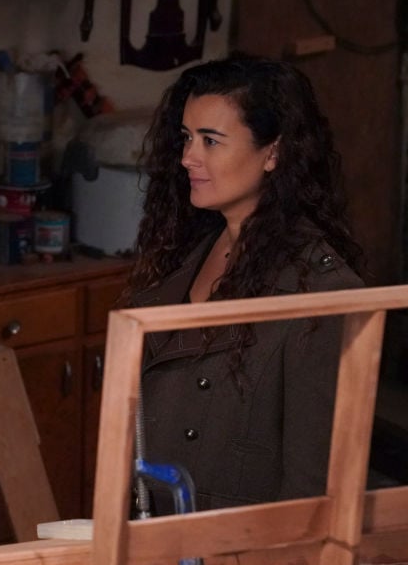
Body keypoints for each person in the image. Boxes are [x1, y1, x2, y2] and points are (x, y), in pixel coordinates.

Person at [124, 55, 364, 514]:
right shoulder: (191, 251)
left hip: (235, 553)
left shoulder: (322, 293)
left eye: (211, 141)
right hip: (156, 531)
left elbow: (311, 485)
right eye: (187, 137)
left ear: (273, 152)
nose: (188, 157)